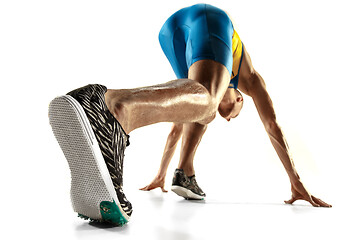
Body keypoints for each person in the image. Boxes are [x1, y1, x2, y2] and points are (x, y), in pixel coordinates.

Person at [48, 3, 331, 226]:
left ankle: (181, 173)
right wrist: (296, 180)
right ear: (240, 99)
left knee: (197, 107)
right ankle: (111, 106)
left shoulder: (213, 73)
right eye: (233, 113)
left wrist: (160, 174)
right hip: (210, 19)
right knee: (207, 103)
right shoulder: (251, 80)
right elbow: (272, 126)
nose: (228, 117)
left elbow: (176, 126)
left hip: (173, 32)